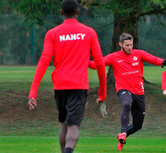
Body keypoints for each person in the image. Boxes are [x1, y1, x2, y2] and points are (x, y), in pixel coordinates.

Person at [27, 0, 107, 153]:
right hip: (78, 85)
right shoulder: (89, 32)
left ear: (61, 12)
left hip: (60, 86)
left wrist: (33, 93)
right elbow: (99, 63)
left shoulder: (52, 33)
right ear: (78, 12)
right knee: (73, 125)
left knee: (64, 123)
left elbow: (44, 61)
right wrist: (102, 93)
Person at [89, 32, 166, 151]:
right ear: (120, 44)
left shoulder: (139, 53)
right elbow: (97, 65)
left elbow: (152, 58)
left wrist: (162, 62)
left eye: (131, 44)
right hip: (124, 89)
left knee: (138, 126)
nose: (130, 47)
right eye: (127, 45)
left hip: (139, 92)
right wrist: (84, 62)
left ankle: (123, 136)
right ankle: (122, 132)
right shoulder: (113, 57)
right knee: (126, 103)